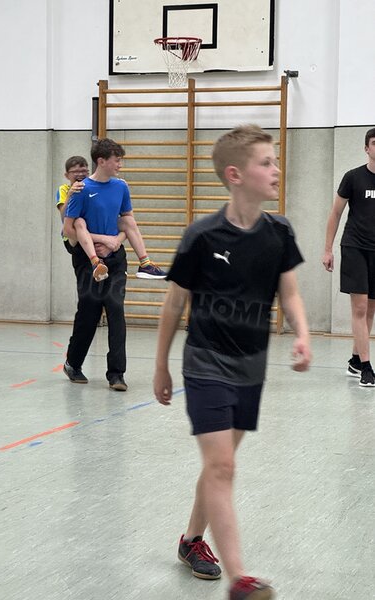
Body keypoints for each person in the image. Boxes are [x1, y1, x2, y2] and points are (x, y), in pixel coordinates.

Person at [153, 125, 310, 600]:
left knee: (219, 464)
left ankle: (191, 540)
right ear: (235, 175)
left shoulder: (279, 232)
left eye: (274, 161)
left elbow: (289, 292)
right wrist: (160, 366)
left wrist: (303, 334)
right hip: (205, 363)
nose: (276, 169)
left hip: (250, 367)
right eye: (266, 162)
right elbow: (174, 303)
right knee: (221, 466)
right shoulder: (202, 235)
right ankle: (239, 579)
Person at [62, 138, 145, 389]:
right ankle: (73, 363)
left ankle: (117, 373)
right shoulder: (80, 190)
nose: (120, 164)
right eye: (117, 160)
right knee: (89, 311)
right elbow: (69, 229)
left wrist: (114, 242)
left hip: (115, 257)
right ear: (102, 161)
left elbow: (128, 223)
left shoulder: (121, 187)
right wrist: (100, 241)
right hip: (87, 259)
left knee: (116, 308)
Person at [56, 154, 167, 281]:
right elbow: (64, 220)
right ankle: (95, 262)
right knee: (79, 222)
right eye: (75, 172)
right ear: (67, 175)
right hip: (74, 235)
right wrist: (70, 195)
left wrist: (116, 241)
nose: (80, 174)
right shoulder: (65, 189)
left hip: (94, 229)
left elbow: (126, 219)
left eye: (84, 171)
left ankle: (145, 263)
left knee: (127, 221)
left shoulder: (102, 186)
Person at [322, 127, 375, 387]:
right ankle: (366, 367)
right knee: (360, 307)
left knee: (371, 308)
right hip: (355, 247)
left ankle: (355, 360)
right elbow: (335, 213)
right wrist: (327, 249)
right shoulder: (353, 177)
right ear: (367, 148)